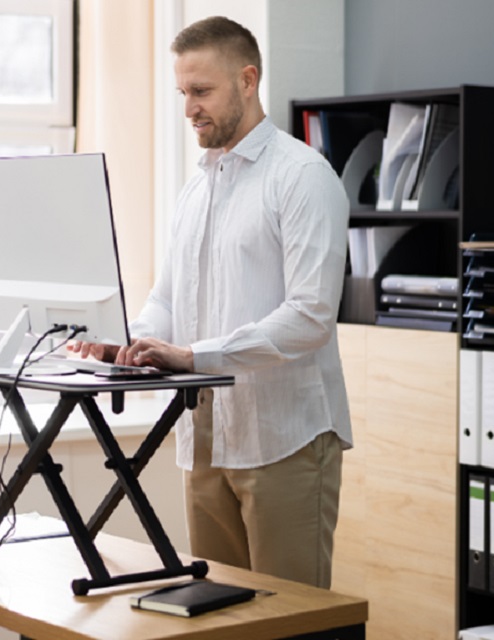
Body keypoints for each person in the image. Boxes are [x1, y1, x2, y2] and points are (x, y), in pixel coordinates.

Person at [71, 15, 352, 589]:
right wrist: (128, 340)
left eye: (202, 91)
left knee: (288, 620)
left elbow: (311, 315)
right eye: (182, 92)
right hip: (203, 437)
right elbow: (170, 297)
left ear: (248, 81)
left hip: (284, 439)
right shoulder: (196, 188)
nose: (188, 108)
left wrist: (194, 356)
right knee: (216, 616)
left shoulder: (302, 177)